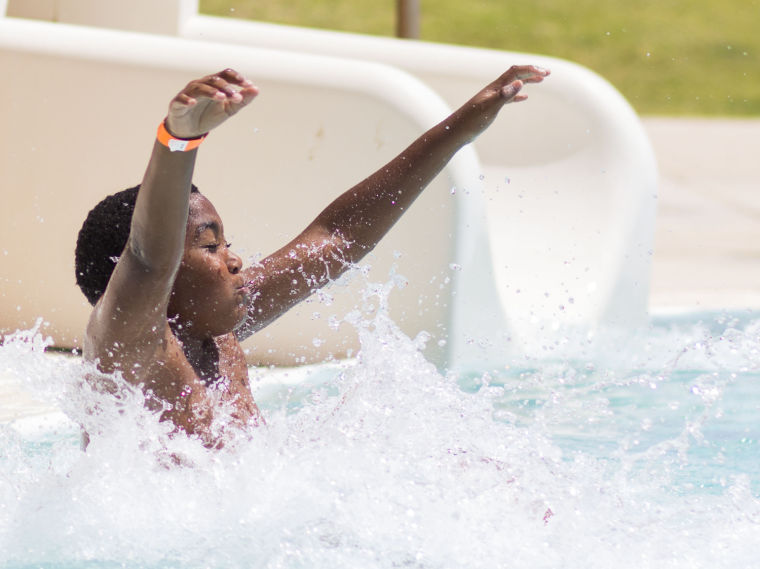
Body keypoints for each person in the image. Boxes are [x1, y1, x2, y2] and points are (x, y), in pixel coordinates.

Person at [75, 65, 549, 448]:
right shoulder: (128, 348)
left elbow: (340, 237)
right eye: (210, 244)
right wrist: (179, 139)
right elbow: (148, 259)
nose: (234, 261)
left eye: (227, 244)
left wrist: (460, 129)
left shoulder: (215, 332)